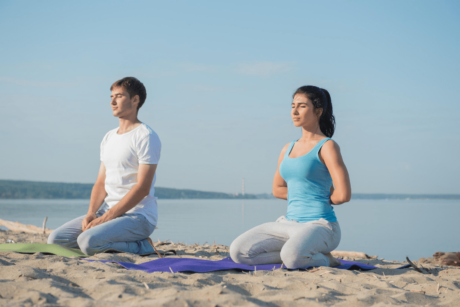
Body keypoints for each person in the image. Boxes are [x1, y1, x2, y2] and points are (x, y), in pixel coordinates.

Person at [230, 85, 351, 268]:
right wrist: (300, 193)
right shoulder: (287, 148)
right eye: (292, 106)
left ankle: (327, 259)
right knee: (238, 251)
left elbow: (343, 194)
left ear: (318, 111)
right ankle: (299, 253)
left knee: (293, 258)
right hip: (289, 224)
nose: (294, 111)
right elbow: (278, 189)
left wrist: (316, 196)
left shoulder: (327, 146)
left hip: (320, 225)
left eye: (302, 106)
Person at [48, 77, 160, 256]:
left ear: (135, 100)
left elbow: (143, 188)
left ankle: (143, 246)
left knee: (88, 242)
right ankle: (106, 236)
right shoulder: (109, 137)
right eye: (111, 96)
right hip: (107, 211)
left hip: (138, 216)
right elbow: (101, 182)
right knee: (56, 240)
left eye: (119, 96)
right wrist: (92, 213)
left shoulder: (146, 136)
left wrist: (106, 219)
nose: (112, 102)